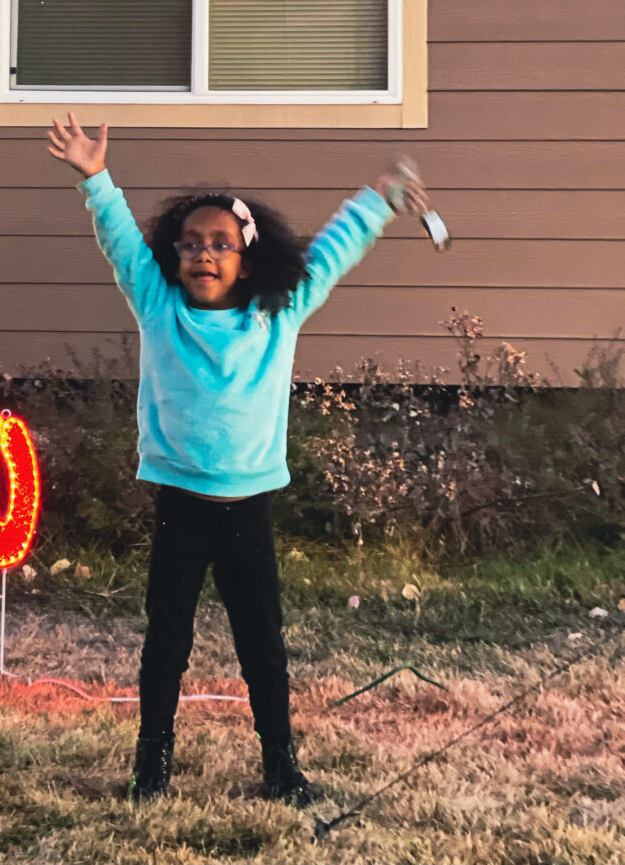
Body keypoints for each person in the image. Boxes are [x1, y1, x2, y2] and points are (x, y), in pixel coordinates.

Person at [47, 113, 431, 807]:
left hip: (248, 509)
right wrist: (94, 177)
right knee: (167, 641)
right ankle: (151, 765)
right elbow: (121, 244)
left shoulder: (278, 312)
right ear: (174, 257)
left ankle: (281, 765)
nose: (203, 254)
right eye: (190, 244)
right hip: (179, 507)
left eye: (220, 244)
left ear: (246, 259)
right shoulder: (159, 306)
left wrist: (379, 199)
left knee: (263, 647)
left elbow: (333, 250)